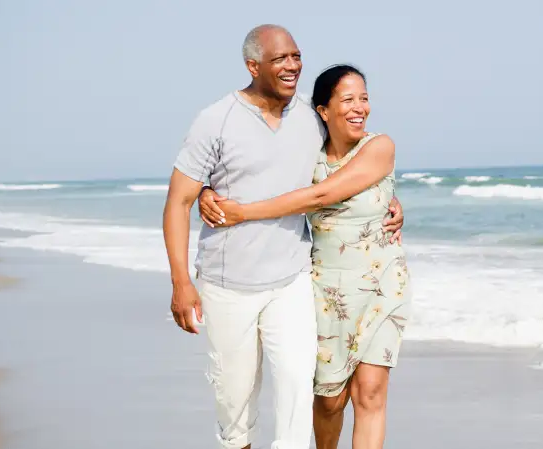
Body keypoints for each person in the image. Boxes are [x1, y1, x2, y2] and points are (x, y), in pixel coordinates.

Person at [162, 24, 404, 449]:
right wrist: (181, 280)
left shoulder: (310, 119)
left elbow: (343, 177)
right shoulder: (215, 120)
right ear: (253, 66)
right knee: (234, 403)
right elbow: (178, 201)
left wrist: (392, 203)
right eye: (280, 59)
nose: (292, 65)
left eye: (296, 56)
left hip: (293, 280)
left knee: (297, 387)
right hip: (228, 281)